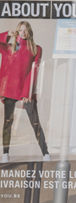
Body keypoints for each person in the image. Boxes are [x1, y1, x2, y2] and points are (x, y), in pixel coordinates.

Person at [0, 21, 50, 164]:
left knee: (35, 122)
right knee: (8, 122)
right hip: (10, 89)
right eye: (20, 30)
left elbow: (34, 71)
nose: (23, 32)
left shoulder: (36, 49)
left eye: (25, 30)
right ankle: (5, 153)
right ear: (17, 31)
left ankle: (45, 152)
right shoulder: (9, 47)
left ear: (29, 32)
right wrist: (6, 35)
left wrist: (27, 93)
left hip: (26, 91)